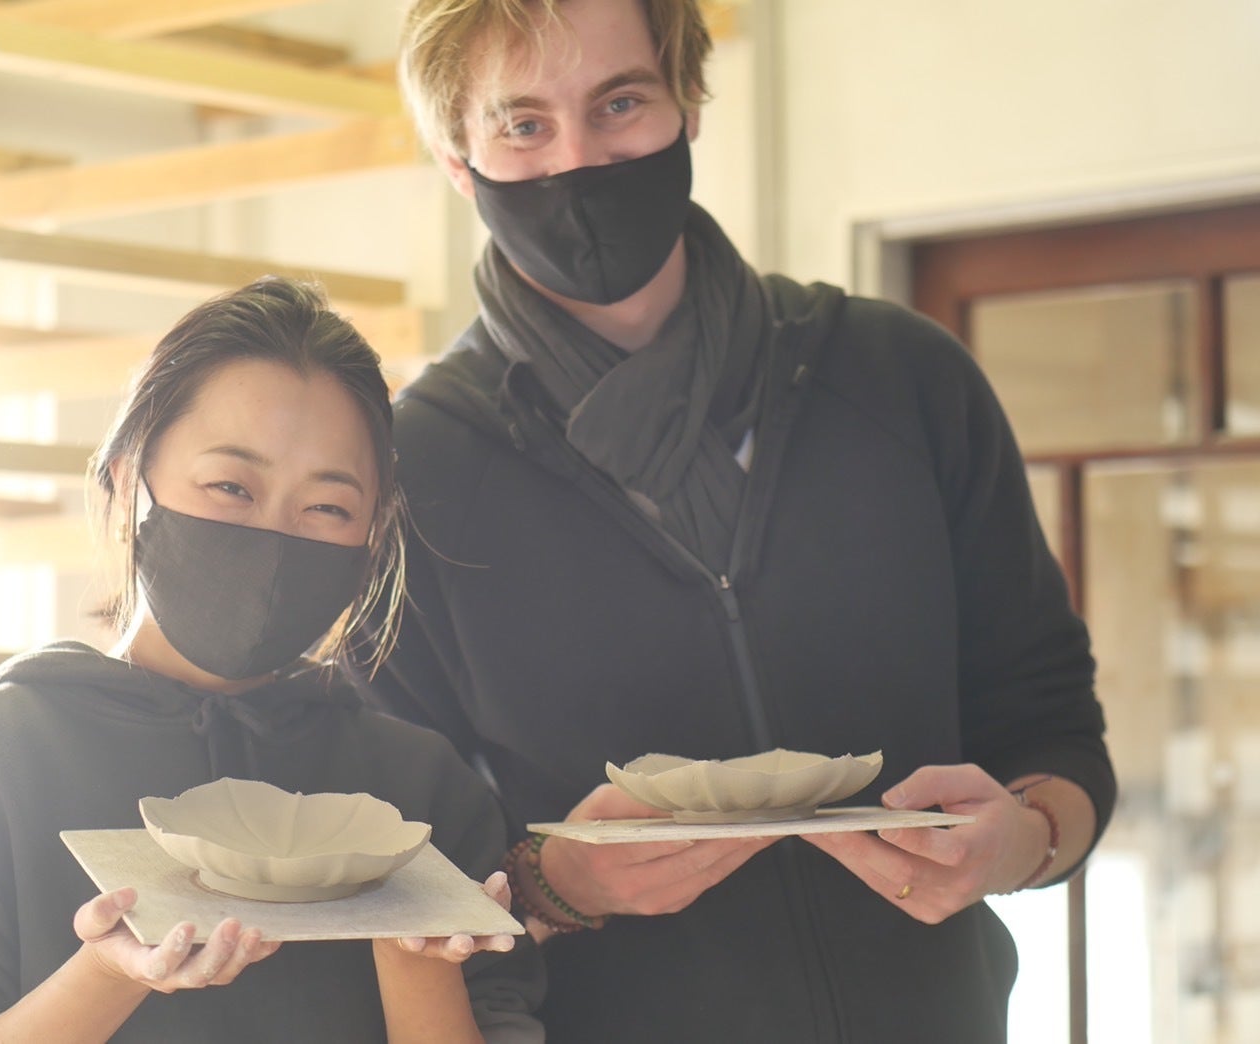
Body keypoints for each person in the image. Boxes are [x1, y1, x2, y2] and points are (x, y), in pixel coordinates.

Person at [358, 1, 1118, 1041]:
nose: (577, 160)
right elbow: (394, 869)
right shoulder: (413, 475)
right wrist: (556, 883)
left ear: (689, 103)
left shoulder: (902, 380)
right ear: (459, 159)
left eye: (619, 103)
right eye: (522, 124)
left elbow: (1051, 717)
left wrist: (1024, 840)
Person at [0, 277, 544, 1043]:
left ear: (373, 534)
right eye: (231, 486)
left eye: (327, 506)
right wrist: (108, 975)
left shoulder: (420, 790)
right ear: (130, 477)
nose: (274, 536)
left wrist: (419, 959)